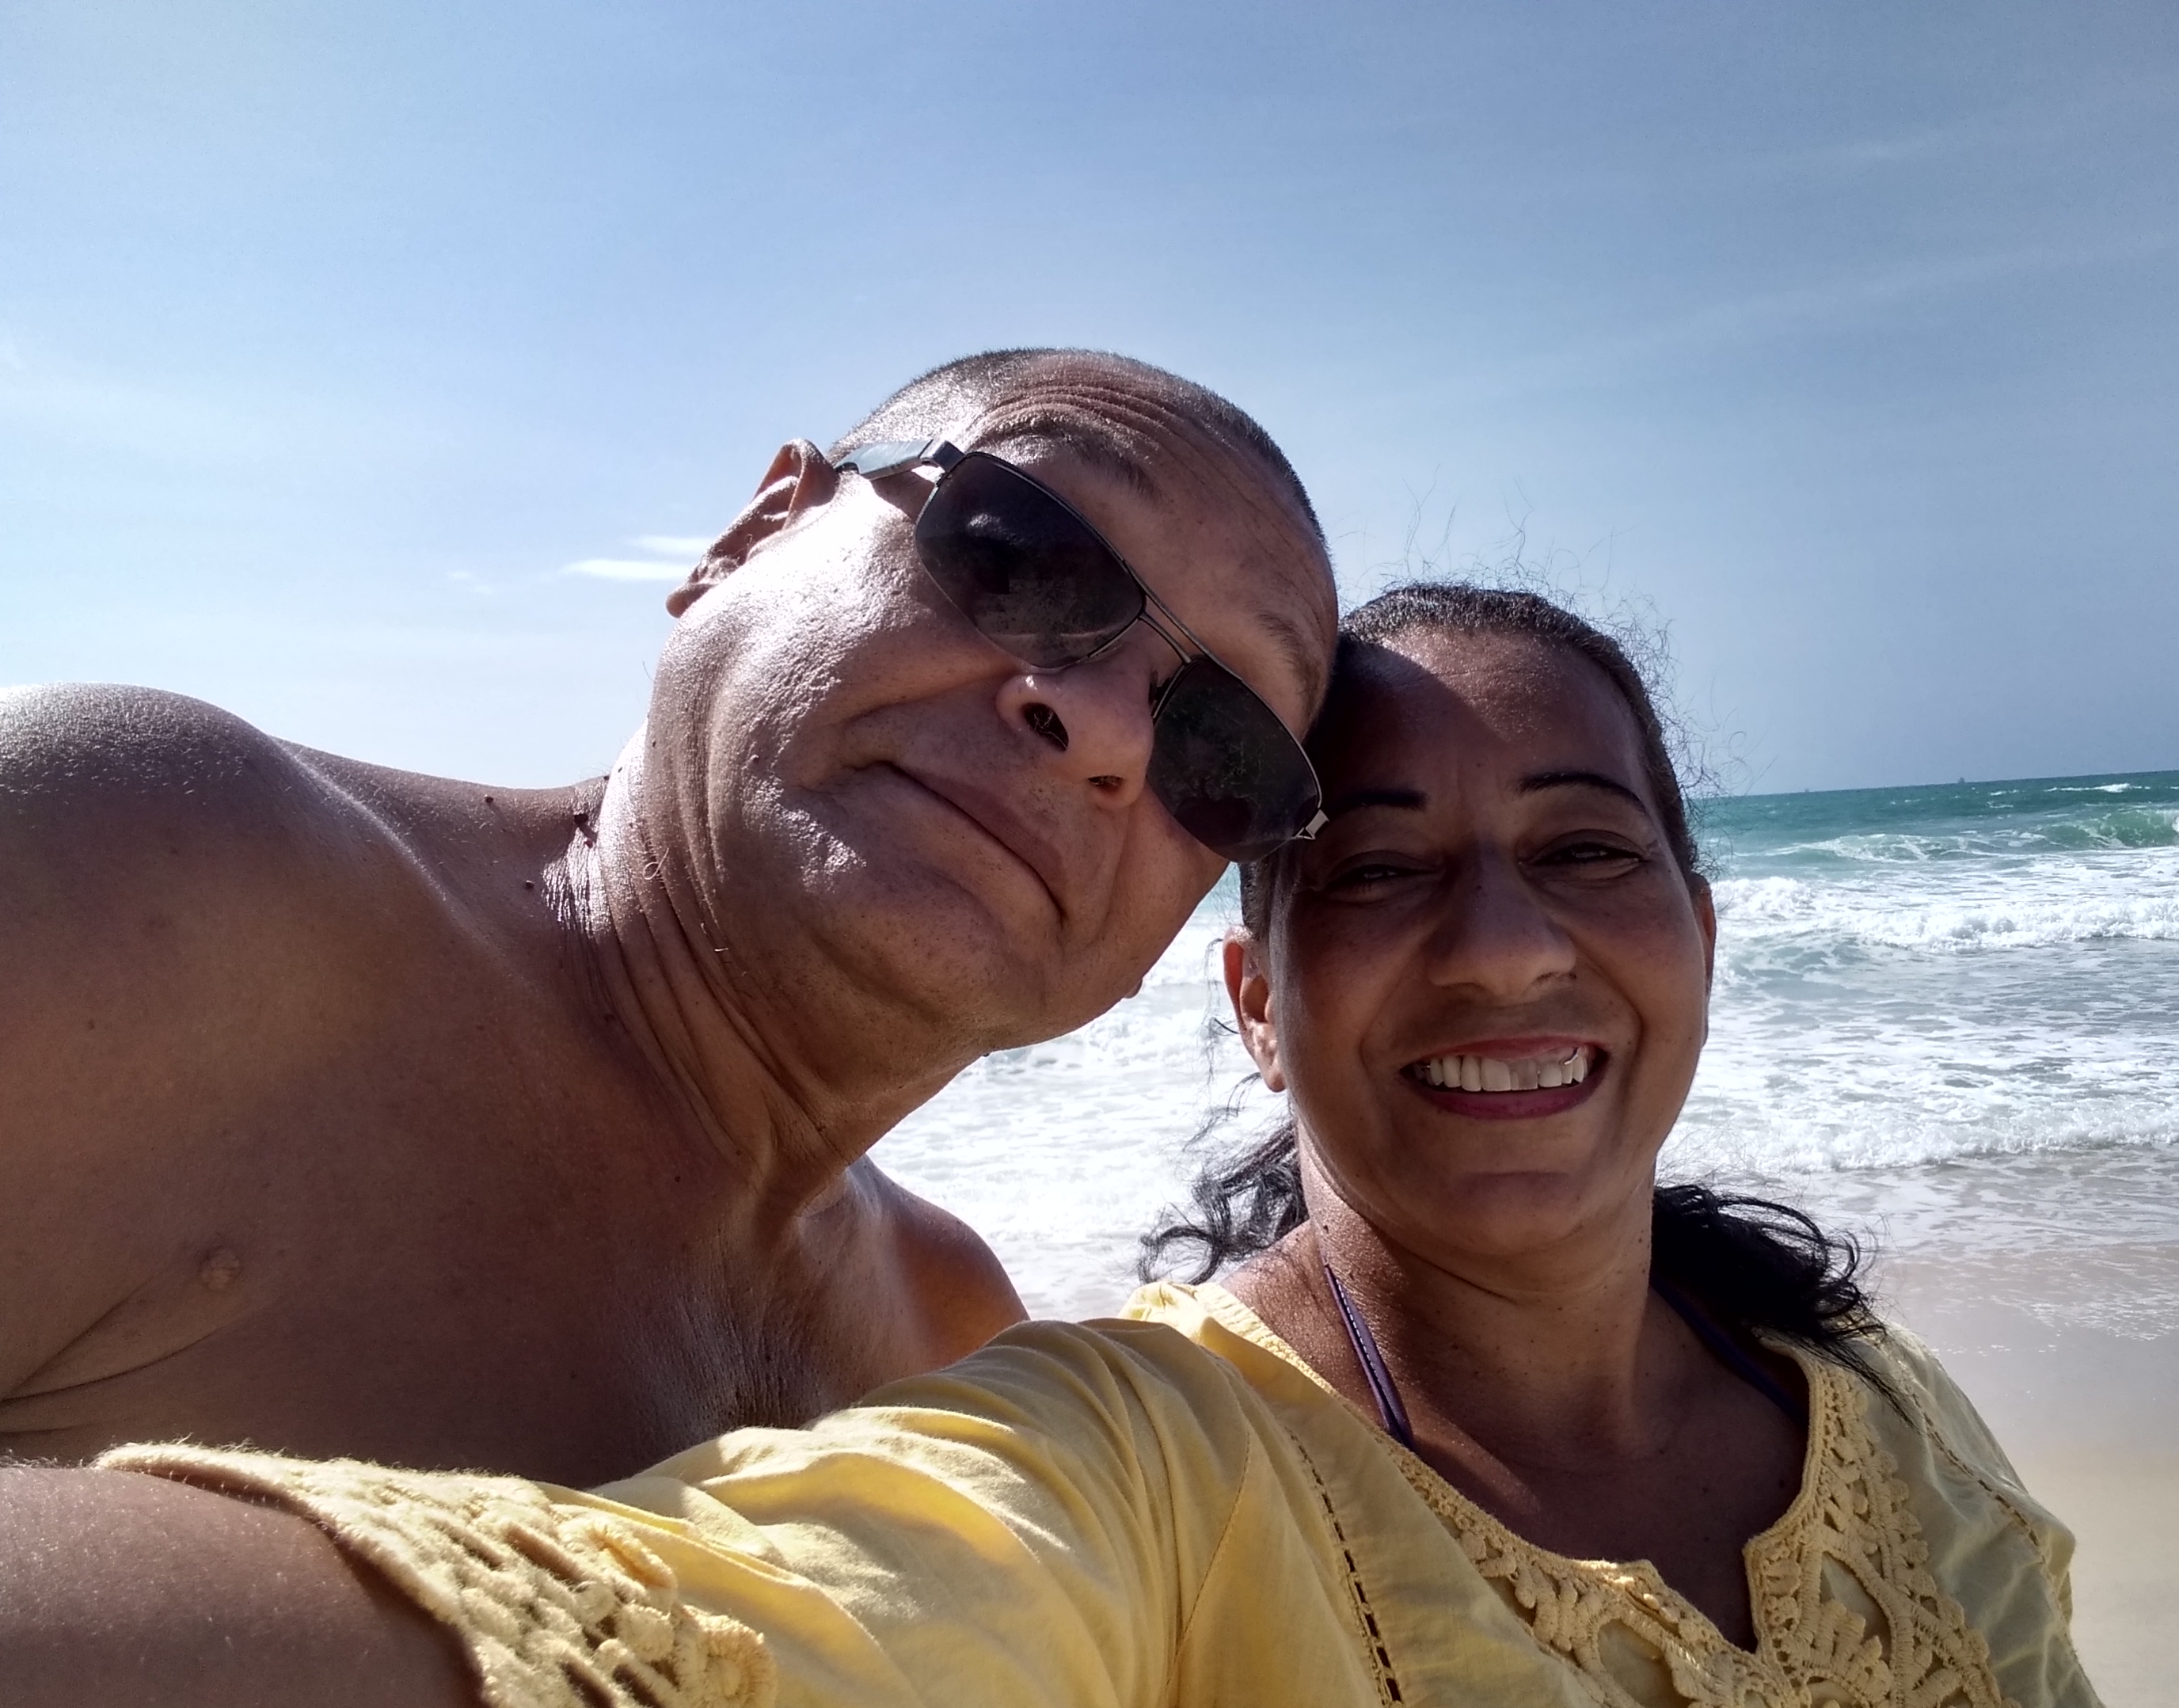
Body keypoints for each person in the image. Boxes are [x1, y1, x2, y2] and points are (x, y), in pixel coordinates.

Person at [0, 584, 2169, 1708]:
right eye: (1378, 872)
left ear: (1700, 931)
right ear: (1256, 1002)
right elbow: (672, 1680)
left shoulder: (1872, 1410)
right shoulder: (1138, 1484)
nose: (1506, 945)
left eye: (1587, 851)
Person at [0, 348, 1337, 1482]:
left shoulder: (948, 1350)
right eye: (1019, 552)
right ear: (755, 533)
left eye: (1221, 744)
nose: (1104, 731)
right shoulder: (142, 889)